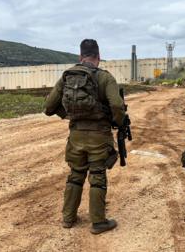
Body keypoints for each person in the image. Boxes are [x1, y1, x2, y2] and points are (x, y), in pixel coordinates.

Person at [44, 39, 125, 234]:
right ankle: (98, 222)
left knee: (75, 175)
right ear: (98, 56)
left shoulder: (67, 76)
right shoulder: (105, 77)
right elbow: (116, 105)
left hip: (76, 136)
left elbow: (48, 108)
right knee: (97, 177)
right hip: (99, 136)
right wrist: (118, 122)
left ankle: (68, 218)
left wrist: (69, 116)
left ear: (80, 56)